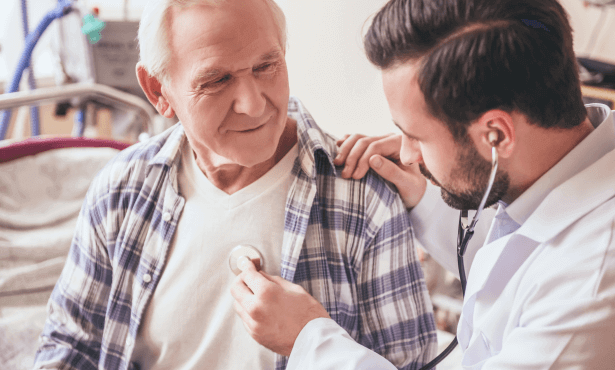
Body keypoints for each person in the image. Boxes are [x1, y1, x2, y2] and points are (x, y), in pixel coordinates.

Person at [231, 0, 615, 368]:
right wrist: (423, 196)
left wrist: (308, 340)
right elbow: (521, 259)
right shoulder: (558, 168)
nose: (405, 154)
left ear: (496, 135)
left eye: (416, 136)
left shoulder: (596, 294)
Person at [32, 0, 438, 369]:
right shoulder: (121, 191)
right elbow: (71, 344)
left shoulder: (363, 199)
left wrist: (309, 338)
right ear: (158, 90)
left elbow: (411, 365)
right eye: (217, 80)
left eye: (267, 66)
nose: (254, 104)